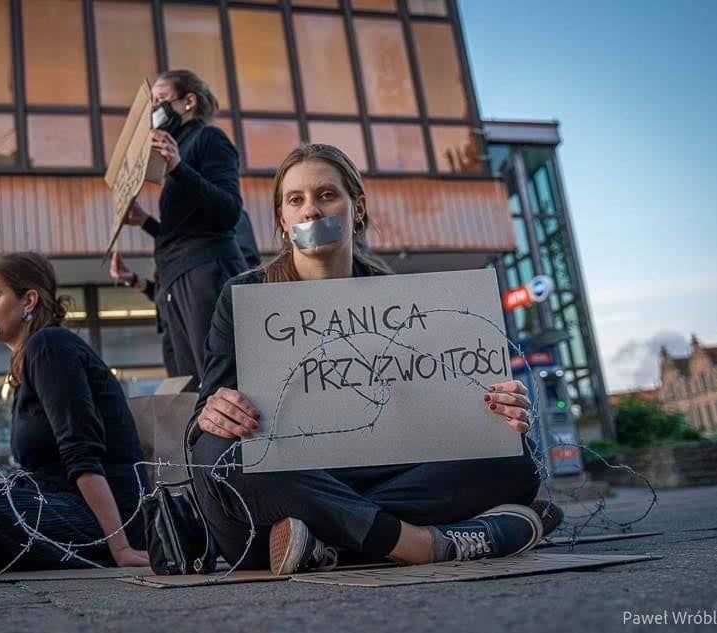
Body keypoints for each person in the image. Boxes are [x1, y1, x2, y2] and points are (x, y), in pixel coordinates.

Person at [189, 144, 545, 575]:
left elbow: (437, 409)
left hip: (364, 483)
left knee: (512, 457)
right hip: (285, 482)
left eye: (326, 195)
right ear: (282, 220)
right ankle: (422, 542)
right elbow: (201, 423)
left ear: (357, 208)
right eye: (295, 200)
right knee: (218, 455)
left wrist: (495, 407)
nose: (311, 212)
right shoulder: (242, 298)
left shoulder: (398, 300)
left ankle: (327, 541)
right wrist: (214, 411)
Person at [0, 252, 150, 572]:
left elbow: (81, 453)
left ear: (28, 301)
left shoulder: (50, 346)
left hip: (99, 521)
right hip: (59, 507)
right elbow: (32, 485)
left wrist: (121, 547)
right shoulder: (28, 364)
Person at [120, 69, 252, 387]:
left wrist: (179, 168)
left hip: (205, 272)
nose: (154, 110)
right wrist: (146, 222)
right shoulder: (176, 157)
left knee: (218, 379)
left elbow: (229, 210)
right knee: (190, 384)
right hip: (178, 275)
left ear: (188, 101)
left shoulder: (209, 139)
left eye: (161, 100)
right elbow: (187, 228)